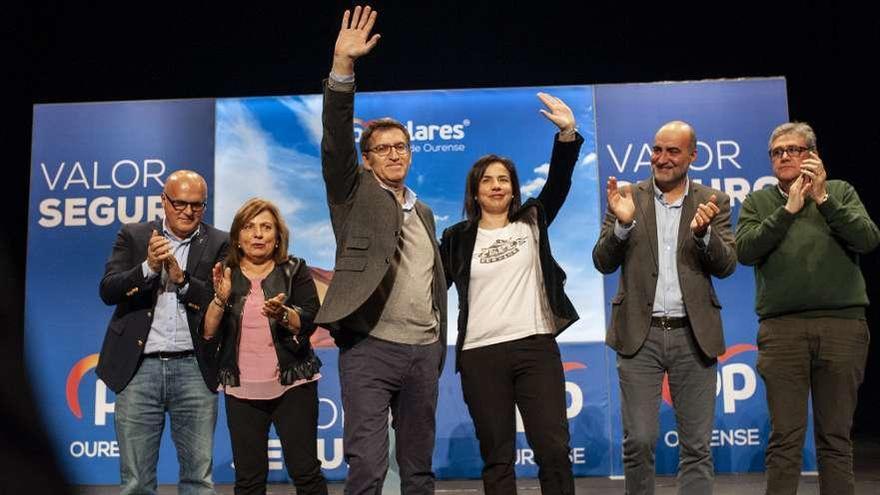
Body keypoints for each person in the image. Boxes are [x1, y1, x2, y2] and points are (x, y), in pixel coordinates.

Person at [315, 6, 447, 494]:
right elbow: (335, 140)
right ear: (366, 161)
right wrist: (343, 68)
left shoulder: (426, 211)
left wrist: (435, 342)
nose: (395, 154)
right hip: (369, 347)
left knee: (418, 472)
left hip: (423, 351)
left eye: (402, 146)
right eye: (384, 148)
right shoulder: (352, 194)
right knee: (368, 470)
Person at [439, 93, 582, 494]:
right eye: (487, 179)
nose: (496, 185)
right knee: (497, 457)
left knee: (553, 449)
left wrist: (567, 133)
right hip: (481, 354)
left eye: (503, 179)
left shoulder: (532, 220)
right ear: (475, 190)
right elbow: (429, 286)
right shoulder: (457, 237)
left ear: (514, 189)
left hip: (534, 347)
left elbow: (559, 182)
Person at [592, 121, 736, 495]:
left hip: (694, 335)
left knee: (697, 447)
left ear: (693, 155)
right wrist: (622, 227)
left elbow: (726, 265)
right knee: (638, 440)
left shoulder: (713, 200)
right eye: (657, 149)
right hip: (641, 335)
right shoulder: (627, 196)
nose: (662, 158)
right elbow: (602, 261)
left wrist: (704, 236)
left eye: (673, 151)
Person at [736, 122, 880, 495]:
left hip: (842, 327)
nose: (784, 156)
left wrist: (824, 201)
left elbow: (867, 239)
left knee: (835, 438)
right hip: (782, 332)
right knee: (785, 438)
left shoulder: (839, 192)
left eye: (793, 149)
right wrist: (787, 211)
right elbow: (745, 250)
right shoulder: (759, 202)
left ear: (812, 155)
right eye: (777, 151)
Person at [97, 169, 227, 495]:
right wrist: (148, 269)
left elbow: (222, 302)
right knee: (136, 482)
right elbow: (108, 290)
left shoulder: (219, 242)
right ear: (163, 201)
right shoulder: (135, 235)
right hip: (139, 368)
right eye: (180, 203)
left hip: (194, 368)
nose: (188, 211)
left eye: (197, 205)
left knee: (199, 480)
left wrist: (182, 281)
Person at [203, 198, 327, 495]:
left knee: (306, 472)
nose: (258, 234)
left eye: (266, 227)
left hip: (292, 384)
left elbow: (309, 319)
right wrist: (221, 298)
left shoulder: (294, 269)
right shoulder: (224, 273)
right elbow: (208, 332)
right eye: (249, 227)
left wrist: (284, 314)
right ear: (237, 237)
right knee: (248, 480)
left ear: (277, 237)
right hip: (242, 389)